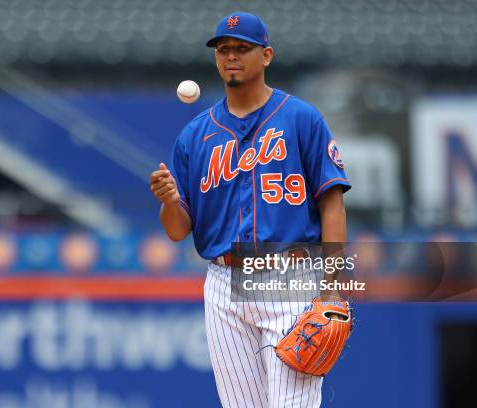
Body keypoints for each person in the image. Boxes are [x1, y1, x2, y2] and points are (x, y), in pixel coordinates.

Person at [149, 11, 350, 408]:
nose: (231, 56)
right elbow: (176, 231)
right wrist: (170, 201)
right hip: (223, 282)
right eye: (223, 49)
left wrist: (332, 288)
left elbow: (332, 202)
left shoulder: (300, 118)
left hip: (288, 275)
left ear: (267, 55)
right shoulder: (195, 135)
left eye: (242, 48)